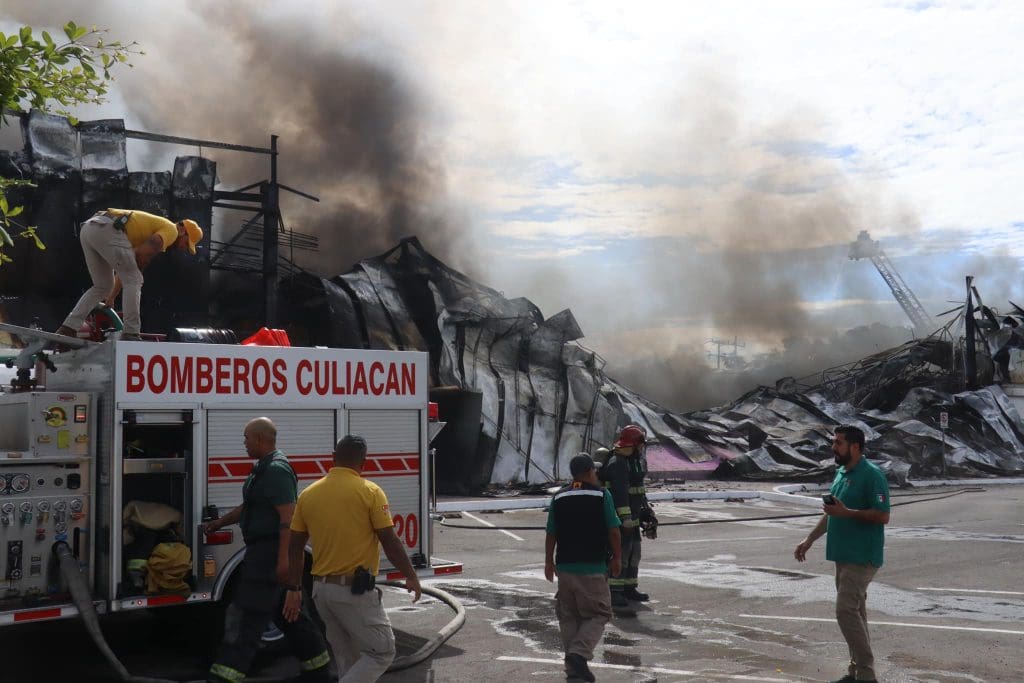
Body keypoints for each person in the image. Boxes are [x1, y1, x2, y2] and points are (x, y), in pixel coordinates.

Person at [283, 435, 422, 682]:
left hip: (321, 592)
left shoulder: (308, 494)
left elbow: (294, 548)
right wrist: (411, 576)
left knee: (349, 659)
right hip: (353, 593)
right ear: (364, 463)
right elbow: (390, 541)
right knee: (382, 652)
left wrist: (294, 588)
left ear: (332, 458)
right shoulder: (370, 492)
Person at [204, 417, 330, 683]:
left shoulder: (276, 470)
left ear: (261, 439)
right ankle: (318, 669)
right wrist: (220, 523)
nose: (244, 443)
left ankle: (224, 676)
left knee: (247, 615)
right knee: (291, 614)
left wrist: (284, 559)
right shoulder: (262, 469)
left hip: (269, 554)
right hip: (264, 552)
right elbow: (249, 507)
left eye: (247, 438)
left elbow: (288, 518)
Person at [794, 425, 890, 683]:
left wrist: (848, 513)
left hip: (862, 556)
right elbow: (831, 513)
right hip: (843, 556)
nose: (833, 447)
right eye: (834, 442)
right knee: (855, 613)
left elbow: (883, 515)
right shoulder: (841, 473)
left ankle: (866, 675)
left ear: (855, 447)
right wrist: (809, 539)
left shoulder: (872, 476)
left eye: (838, 443)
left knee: (845, 611)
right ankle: (856, 671)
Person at [55, 208, 203, 341]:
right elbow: (142, 255)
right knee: (135, 279)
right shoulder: (172, 230)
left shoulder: (141, 232)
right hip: (109, 229)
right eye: (186, 242)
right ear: (183, 231)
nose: (184, 248)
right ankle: (131, 333)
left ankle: (68, 327)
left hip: (90, 228)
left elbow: (127, 268)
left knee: (102, 286)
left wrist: (112, 296)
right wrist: (140, 266)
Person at [545, 453, 622, 682]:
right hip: (592, 568)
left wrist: (549, 562)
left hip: (565, 568)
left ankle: (573, 671)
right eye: (595, 471)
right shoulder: (601, 495)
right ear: (590, 472)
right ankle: (579, 654)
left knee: (569, 617)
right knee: (599, 613)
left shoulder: (559, 497)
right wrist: (617, 557)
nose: (596, 474)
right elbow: (614, 530)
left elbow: (551, 532)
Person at [599, 424, 653, 607]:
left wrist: (647, 512)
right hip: (620, 520)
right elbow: (620, 494)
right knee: (620, 554)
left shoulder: (633, 460)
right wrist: (625, 519)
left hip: (633, 518)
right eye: (640, 444)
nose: (642, 448)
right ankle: (614, 591)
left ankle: (629, 588)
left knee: (634, 554)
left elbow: (638, 490)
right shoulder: (618, 463)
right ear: (632, 444)